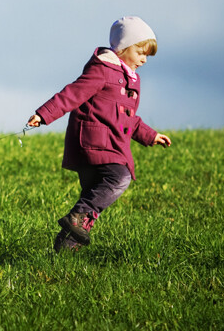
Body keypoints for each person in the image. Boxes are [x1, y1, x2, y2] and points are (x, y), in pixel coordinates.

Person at [26, 16, 172, 252]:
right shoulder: (103, 70)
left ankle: (65, 249)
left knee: (92, 196)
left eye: (147, 55)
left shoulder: (130, 80)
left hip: (109, 145)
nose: (144, 60)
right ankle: (76, 219)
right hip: (94, 144)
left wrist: (150, 135)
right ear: (123, 48)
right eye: (140, 52)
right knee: (119, 177)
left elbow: (128, 118)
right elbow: (72, 94)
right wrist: (44, 114)